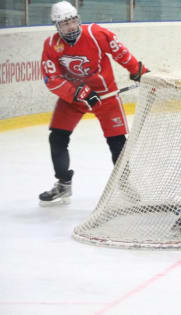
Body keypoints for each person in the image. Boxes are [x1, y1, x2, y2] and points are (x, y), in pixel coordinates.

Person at [38, 1, 149, 206]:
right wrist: (78, 92)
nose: (70, 27)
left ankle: (124, 185)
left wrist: (137, 71)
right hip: (72, 99)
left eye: (72, 21)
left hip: (105, 96)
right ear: (56, 26)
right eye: (64, 24)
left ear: (77, 19)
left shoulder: (96, 34)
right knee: (57, 138)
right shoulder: (52, 45)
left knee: (117, 143)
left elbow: (121, 53)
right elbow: (51, 79)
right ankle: (63, 184)